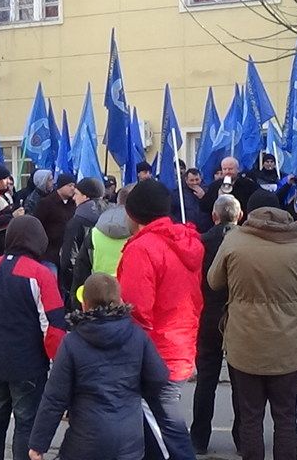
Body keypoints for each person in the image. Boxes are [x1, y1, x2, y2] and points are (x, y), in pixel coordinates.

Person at [209, 189, 297, 460]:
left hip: (244, 340)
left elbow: (214, 281)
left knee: (250, 418)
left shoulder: (234, 241)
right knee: (286, 418)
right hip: (287, 340)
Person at [28, 274, 169, 460]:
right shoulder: (137, 335)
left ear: (85, 305)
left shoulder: (72, 343)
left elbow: (54, 399)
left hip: (85, 442)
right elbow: (159, 377)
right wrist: (134, 392)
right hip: (129, 438)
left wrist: (38, 445)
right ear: (120, 301)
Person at [117, 179, 203, 460]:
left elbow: (135, 311)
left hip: (155, 354)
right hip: (180, 345)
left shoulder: (142, 249)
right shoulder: (184, 241)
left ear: (133, 214)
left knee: (167, 438)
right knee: (161, 431)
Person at [0, 215, 67, 460]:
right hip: (28, 363)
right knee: (26, 423)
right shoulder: (41, 274)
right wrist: (58, 362)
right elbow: (53, 328)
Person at [190, 194, 243, 455]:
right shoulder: (247, 243)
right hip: (238, 317)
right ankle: (243, 437)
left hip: (208, 315)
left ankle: (199, 438)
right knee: (241, 380)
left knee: (206, 380)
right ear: (239, 216)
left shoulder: (201, 242)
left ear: (214, 216)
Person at [70, 185, 134, 310]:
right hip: (131, 303)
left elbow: (80, 273)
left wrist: (77, 308)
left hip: (98, 299)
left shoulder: (95, 232)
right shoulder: (141, 234)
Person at [59, 178, 109, 305]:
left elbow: (68, 260)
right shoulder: (111, 220)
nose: (74, 198)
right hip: (110, 287)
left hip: (83, 290)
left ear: (86, 197)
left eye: (76, 194)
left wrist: (71, 290)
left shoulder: (77, 222)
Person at [33, 173, 77, 274]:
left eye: (74, 186)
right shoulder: (46, 203)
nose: (72, 188)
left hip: (67, 253)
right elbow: (37, 224)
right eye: (69, 185)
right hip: (49, 253)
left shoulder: (73, 204)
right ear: (61, 186)